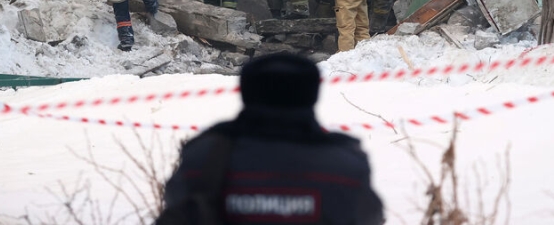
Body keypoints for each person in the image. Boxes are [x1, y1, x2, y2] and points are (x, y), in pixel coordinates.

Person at [157, 52, 385, 225]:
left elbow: (176, 203)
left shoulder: (204, 157)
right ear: (311, 94)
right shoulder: (345, 165)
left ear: (247, 91)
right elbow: (370, 216)